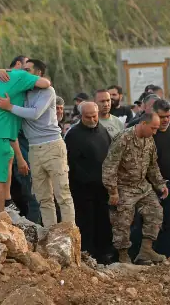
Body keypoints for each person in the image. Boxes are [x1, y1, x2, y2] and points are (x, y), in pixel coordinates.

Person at [0, 59, 74, 227]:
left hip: (52, 146)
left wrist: (10, 107)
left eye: (28, 70)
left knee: (62, 194)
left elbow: (35, 113)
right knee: (43, 197)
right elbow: (0, 75)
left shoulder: (48, 91)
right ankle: (51, 233)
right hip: (34, 149)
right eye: (23, 69)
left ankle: (68, 233)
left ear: (38, 74)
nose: (23, 72)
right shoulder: (24, 90)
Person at [0, 59, 50, 215]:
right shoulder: (22, 76)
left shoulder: (0, 77)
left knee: (9, 157)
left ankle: (8, 201)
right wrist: (33, 77)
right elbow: (45, 84)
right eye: (25, 67)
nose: (25, 70)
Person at [102, 112, 169, 265]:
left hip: (141, 186)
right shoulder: (123, 138)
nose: (155, 132)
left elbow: (152, 165)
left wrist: (160, 184)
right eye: (153, 128)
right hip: (123, 187)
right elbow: (109, 166)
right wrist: (113, 191)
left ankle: (146, 250)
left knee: (156, 211)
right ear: (143, 124)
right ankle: (123, 256)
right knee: (122, 222)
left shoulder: (149, 140)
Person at [66, 102, 113, 263]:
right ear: (81, 116)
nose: (93, 119)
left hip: (102, 187)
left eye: (95, 116)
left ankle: (104, 253)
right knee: (87, 222)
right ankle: (88, 254)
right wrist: (87, 179)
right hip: (83, 189)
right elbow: (72, 163)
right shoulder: (73, 135)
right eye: (88, 117)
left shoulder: (103, 130)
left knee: (103, 221)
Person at [149, 99, 170, 257]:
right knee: (151, 221)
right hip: (150, 186)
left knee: (168, 221)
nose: (166, 120)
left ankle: (165, 254)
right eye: (162, 117)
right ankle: (149, 253)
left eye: (168, 116)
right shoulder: (149, 132)